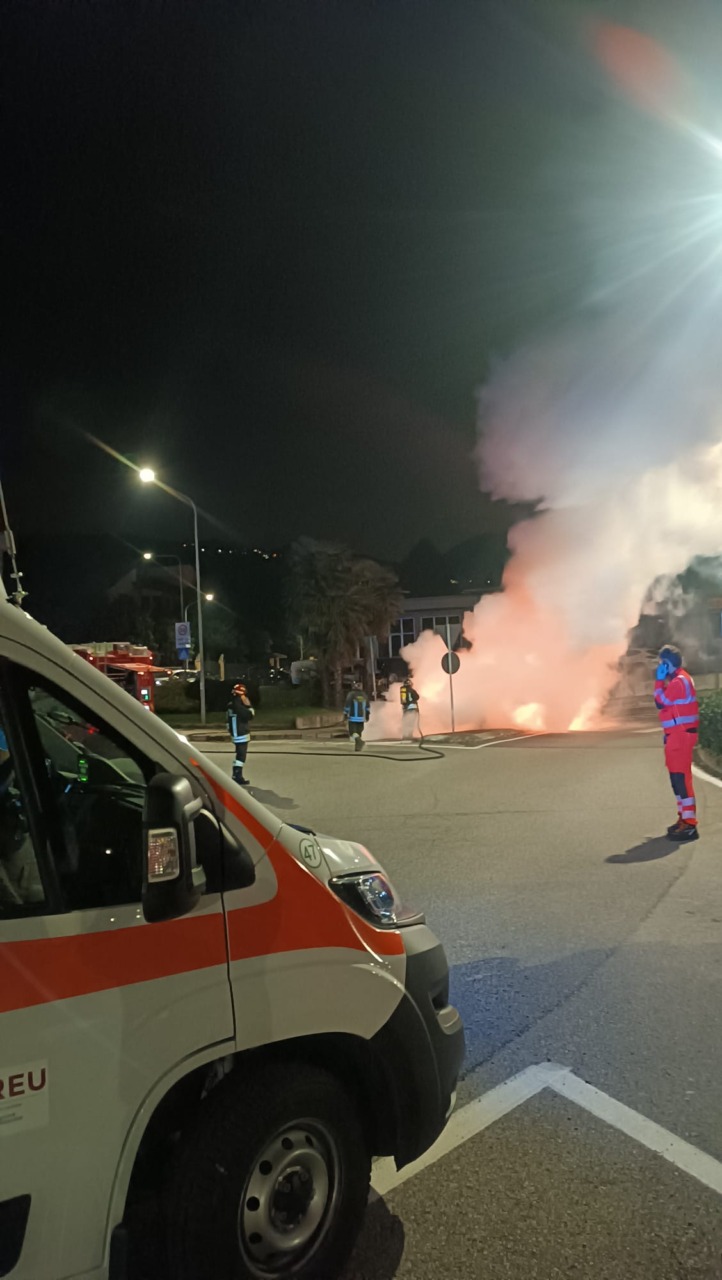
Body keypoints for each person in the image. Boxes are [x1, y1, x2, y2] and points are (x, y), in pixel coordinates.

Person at [654, 645, 699, 842]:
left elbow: (660, 701)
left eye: (661, 662)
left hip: (681, 737)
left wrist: (658, 680)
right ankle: (683, 819)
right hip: (676, 736)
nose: (659, 666)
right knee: (676, 780)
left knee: (681, 779)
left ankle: (690, 824)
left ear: (667, 663)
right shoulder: (679, 680)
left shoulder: (679, 682)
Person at [227, 682, 255, 786]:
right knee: (241, 756)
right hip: (240, 733)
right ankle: (237, 776)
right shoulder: (237, 704)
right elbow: (249, 715)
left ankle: (237, 775)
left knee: (240, 755)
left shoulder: (232, 703)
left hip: (236, 732)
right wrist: (249, 707)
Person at [344, 680, 370, 751]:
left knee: (353, 733)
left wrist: (345, 713)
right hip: (361, 718)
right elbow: (367, 707)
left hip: (353, 718)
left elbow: (347, 705)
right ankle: (358, 747)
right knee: (359, 732)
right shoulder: (364, 695)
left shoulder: (351, 694)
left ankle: (359, 742)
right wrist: (367, 715)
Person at [399, 675, 420, 740]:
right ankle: (409, 735)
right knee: (411, 722)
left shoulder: (402, 690)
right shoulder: (412, 690)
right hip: (412, 708)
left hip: (405, 708)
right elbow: (417, 697)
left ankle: (404, 735)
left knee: (405, 721)